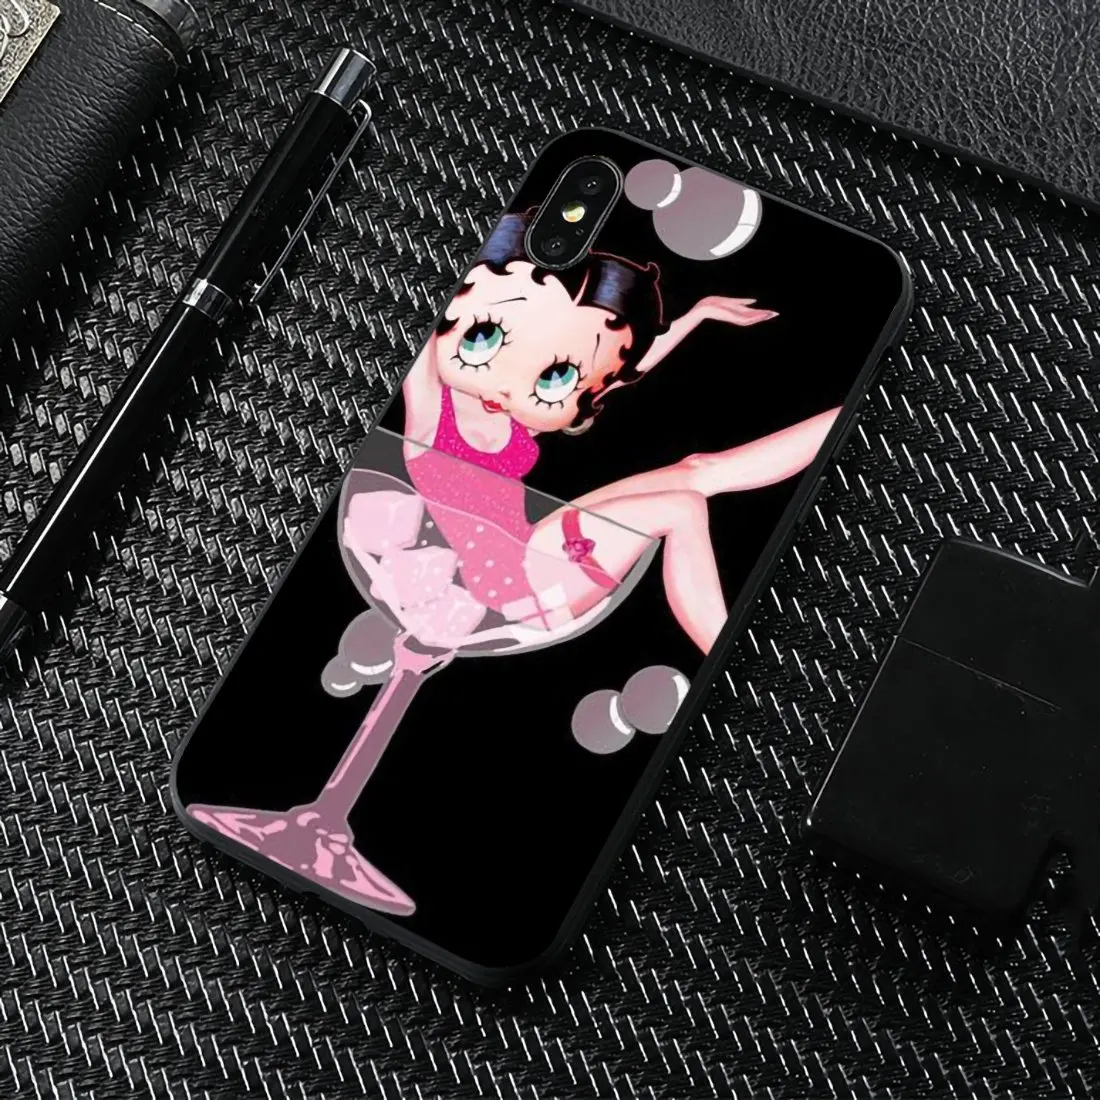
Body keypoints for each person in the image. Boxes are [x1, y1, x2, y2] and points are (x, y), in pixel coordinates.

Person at [390, 213, 838, 655]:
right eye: (482, 338)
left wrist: (696, 315)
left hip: (530, 548)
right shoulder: (430, 412)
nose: (507, 387)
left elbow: (615, 375)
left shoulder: (518, 418)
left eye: (554, 380)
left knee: (697, 471)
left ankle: (849, 414)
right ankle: (730, 660)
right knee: (681, 507)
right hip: (516, 587)